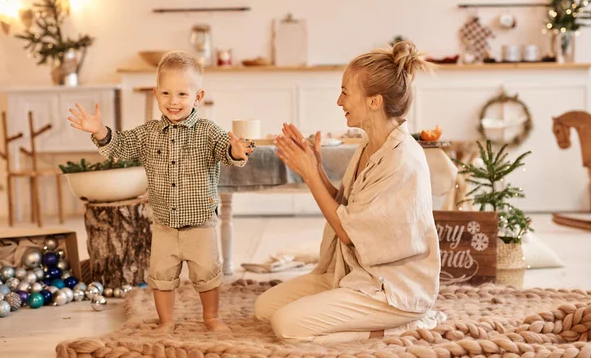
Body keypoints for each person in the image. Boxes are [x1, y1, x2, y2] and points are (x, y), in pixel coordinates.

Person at [254, 41, 444, 344]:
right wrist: (315, 168)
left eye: (345, 92)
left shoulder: (402, 159)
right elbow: (349, 209)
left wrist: (310, 175)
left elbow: (347, 231)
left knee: (287, 327)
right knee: (264, 308)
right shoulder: (370, 145)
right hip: (357, 272)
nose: (339, 101)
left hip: (392, 288)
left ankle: (400, 328)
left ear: (374, 102)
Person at [67, 51, 254, 332]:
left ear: (198, 96)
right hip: (164, 224)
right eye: (166, 93)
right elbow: (120, 146)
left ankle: (211, 317)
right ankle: (166, 320)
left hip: (200, 222)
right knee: (161, 276)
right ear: (156, 94)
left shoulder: (208, 131)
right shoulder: (148, 133)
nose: (173, 101)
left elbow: (224, 152)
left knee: (207, 274)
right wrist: (100, 131)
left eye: (181, 94)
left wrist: (236, 151)